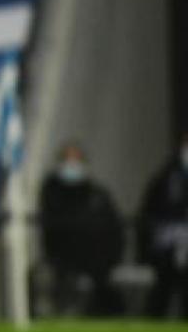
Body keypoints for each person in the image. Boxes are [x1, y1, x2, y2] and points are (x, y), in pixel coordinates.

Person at [37, 142, 125, 316]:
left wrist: (110, 260)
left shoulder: (98, 195)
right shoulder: (52, 193)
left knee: (108, 301)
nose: (72, 166)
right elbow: (52, 234)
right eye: (67, 160)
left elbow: (116, 230)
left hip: (99, 265)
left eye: (75, 160)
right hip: (64, 265)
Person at [137, 132, 188, 319]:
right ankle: (152, 325)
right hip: (168, 245)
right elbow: (150, 211)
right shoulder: (167, 176)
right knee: (163, 289)